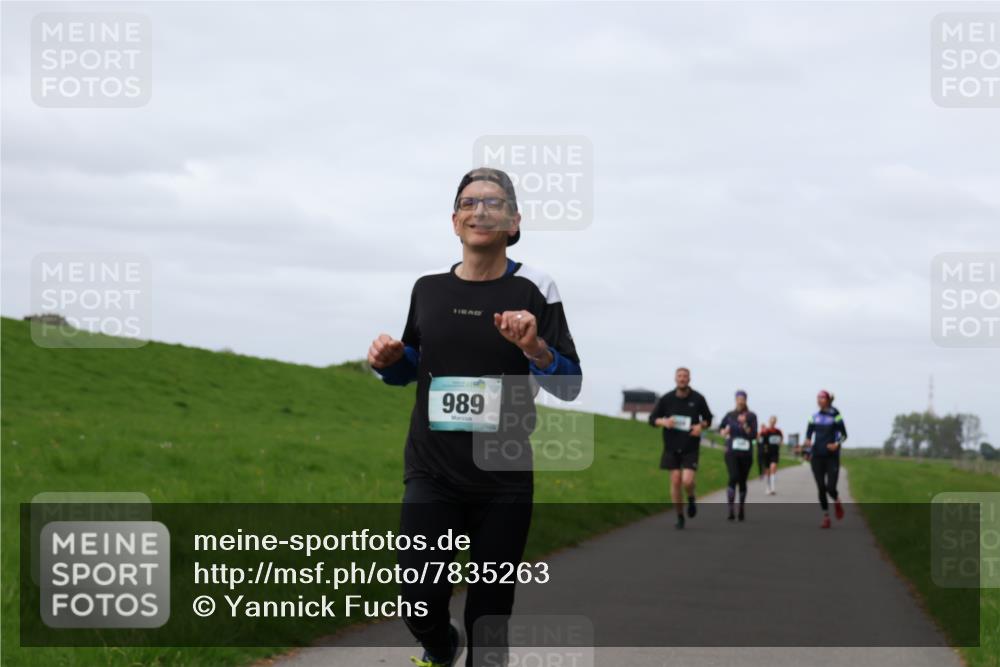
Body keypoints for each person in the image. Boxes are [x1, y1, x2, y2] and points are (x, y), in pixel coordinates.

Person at [367, 167, 582, 667]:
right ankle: (440, 647)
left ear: (514, 221)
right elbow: (413, 371)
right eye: (468, 202)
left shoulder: (535, 289)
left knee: (490, 612)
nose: (479, 211)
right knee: (417, 597)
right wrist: (390, 361)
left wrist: (535, 348)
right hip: (432, 470)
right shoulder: (428, 290)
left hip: (502, 477)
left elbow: (568, 385)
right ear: (453, 220)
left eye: (493, 203)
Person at [648, 368, 713, 529]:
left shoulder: (698, 398)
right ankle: (679, 516)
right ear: (675, 379)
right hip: (671, 446)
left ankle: (691, 498)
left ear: (689, 379)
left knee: (687, 480)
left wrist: (700, 426)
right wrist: (664, 422)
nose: (682, 379)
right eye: (680, 376)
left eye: (685, 376)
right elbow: (652, 419)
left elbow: (708, 419)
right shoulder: (667, 399)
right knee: (676, 480)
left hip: (690, 446)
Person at [804, 390, 847, 529]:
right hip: (817, 456)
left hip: (831, 457)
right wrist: (808, 442)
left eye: (822, 398)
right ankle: (826, 516)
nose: (819, 400)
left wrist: (836, 444)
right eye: (818, 398)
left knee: (830, 488)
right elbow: (809, 434)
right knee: (821, 487)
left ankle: (837, 500)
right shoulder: (814, 417)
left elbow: (844, 435)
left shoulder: (835, 415)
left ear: (828, 400)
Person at [718, 390, 758, 521]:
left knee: (742, 481)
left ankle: (741, 507)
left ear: (746, 400)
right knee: (733, 476)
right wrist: (723, 431)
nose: (740, 401)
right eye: (738, 398)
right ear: (735, 400)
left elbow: (753, 435)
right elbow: (721, 428)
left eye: (743, 398)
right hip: (731, 452)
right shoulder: (730, 415)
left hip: (746, 453)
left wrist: (745, 424)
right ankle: (730, 508)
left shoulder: (752, 416)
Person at [758, 416, 783, 495]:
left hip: (775, 453)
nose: (772, 423)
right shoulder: (765, 431)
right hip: (766, 453)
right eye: (771, 421)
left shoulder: (778, 431)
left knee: (773, 468)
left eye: (774, 421)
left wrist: (780, 443)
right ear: (769, 422)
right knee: (768, 471)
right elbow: (759, 437)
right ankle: (767, 487)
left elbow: (781, 439)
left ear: (775, 422)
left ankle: (773, 488)